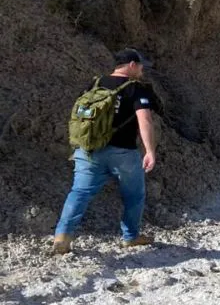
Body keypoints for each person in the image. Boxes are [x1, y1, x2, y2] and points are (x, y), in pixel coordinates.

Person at [53, 49, 160, 254]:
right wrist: (150, 151)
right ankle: (131, 237)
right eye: (140, 65)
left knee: (79, 193)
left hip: (88, 150)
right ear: (131, 65)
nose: (142, 69)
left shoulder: (94, 84)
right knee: (134, 195)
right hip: (123, 153)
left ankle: (62, 236)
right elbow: (144, 120)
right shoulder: (136, 89)